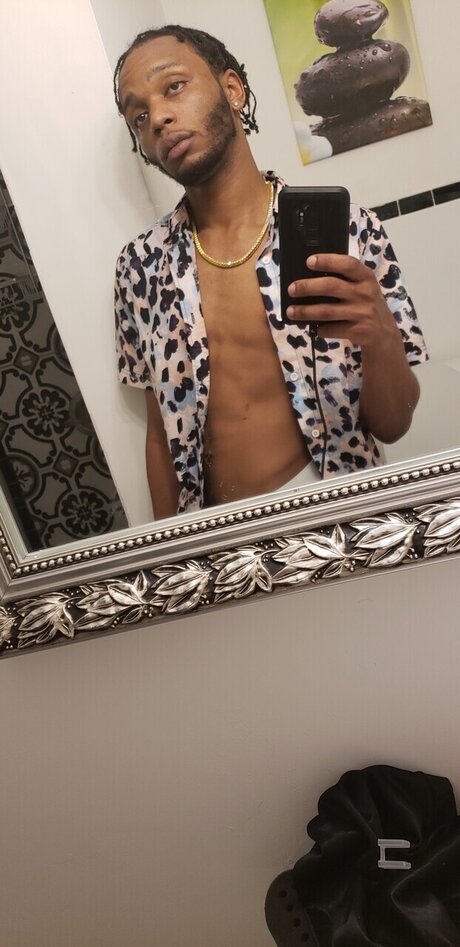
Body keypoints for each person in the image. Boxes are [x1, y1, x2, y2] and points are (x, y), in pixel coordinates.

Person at [113, 25, 428, 520]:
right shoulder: (139, 268)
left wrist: (381, 334)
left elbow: (392, 425)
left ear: (232, 89)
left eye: (173, 86)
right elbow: (161, 435)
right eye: (138, 116)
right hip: (218, 536)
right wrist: (172, 550)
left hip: (337, 519)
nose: (158, 117)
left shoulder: (350, 232)